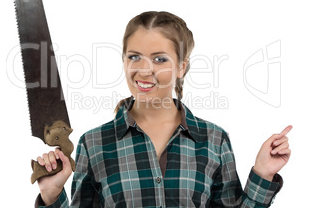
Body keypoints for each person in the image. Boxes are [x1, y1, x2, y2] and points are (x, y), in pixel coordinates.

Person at [35, 11, 292, 207]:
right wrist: (52, 195)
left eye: (160, 59)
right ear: (123, 60)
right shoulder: (94, 144)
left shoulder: (213, 140)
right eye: (134, 56)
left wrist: (262, 173)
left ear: (181, 67)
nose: (144, 70)